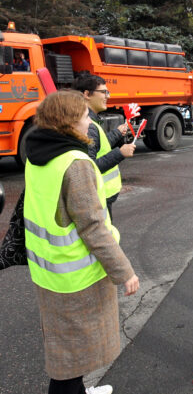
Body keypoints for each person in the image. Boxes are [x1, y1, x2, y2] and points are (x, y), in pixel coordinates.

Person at [24, 90, 139, 394]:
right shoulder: (75, 163)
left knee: (68, 350)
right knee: (70, 361)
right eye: (85, 117)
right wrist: (125, 271)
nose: (90, 123)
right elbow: (93, 228)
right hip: (76, 278)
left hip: (47, 269)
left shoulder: (37, 154)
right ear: (68, 122)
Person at [72, 75, 135, 218]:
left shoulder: (87, 122)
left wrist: (117, 133)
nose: (107, 96)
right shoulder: (88, 126)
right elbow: (89, 167)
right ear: (87, 94)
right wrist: (120, 153)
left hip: (99, 195)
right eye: (103, 92)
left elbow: (99, 146)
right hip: (98, 196)